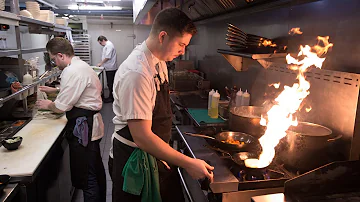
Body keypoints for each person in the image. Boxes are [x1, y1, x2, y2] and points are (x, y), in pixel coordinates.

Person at [111, 8, 214, 202]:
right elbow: (142, 137)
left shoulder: (159, 61)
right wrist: (188, 163)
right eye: (181, 44)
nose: (183, 51)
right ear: (163, 36)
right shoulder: (137, 73)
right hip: (134, 160)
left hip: (154, 154)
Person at [36, 37, 107, 202]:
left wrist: (48, 104)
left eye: (53, 59)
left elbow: (61, 107)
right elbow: (76, 90)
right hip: (91, 126)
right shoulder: (80, 66)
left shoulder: (71, 71)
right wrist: (55, 90)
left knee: (87, 176)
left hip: (85, 130)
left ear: (60, 55)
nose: (55, 63)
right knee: (94, 170)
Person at [97, 35, 117, 103]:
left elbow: (107, 57)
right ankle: (111, 97)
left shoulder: (109, 45)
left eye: (100, 43)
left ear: (103, 40)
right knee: (109, 83)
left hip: (111, 68)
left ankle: (111, 98)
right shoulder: (107, 45)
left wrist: (101, 63)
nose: (100, 44)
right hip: (109, 67)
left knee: (110, 83)